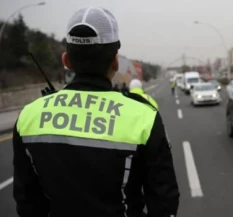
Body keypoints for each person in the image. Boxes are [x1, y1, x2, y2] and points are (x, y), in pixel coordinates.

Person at [13, 6, 179, 217]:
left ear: (66, 60)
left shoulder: (29, 116)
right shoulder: (144, 117)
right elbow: (164, 203)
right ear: (116, 61)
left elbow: (28, 204)